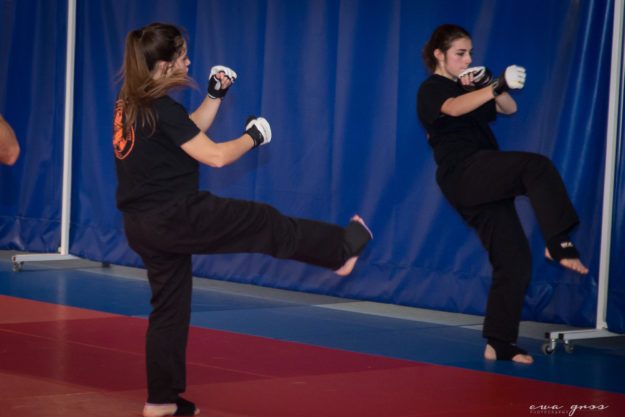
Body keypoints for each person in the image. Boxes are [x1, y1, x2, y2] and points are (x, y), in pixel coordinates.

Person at [113, 22, 372, 417]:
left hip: (141, 225)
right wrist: (255, 136)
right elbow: (215, 156)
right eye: (183, 57)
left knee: (169, 308)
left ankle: (161, 401)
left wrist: (215, 95)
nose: (189, 63)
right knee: (263, 222)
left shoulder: (131, 103)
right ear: (165, 65)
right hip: (175, 216)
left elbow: (187, 135)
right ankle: (340, 250)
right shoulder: (161, 108)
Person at [417, 24, 588, 365]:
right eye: (460, 53)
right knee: (535, 167)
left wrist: (490, 83)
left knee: (514, 260)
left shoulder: (469, 86)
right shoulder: (431, 89)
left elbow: (509, 108)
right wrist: (495, 85)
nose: (468, 59)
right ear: (439, 54)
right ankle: (559, 241)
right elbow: (453, 108)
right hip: (463, 173)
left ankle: (499, 343)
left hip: (485, 177)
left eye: (470, 53)